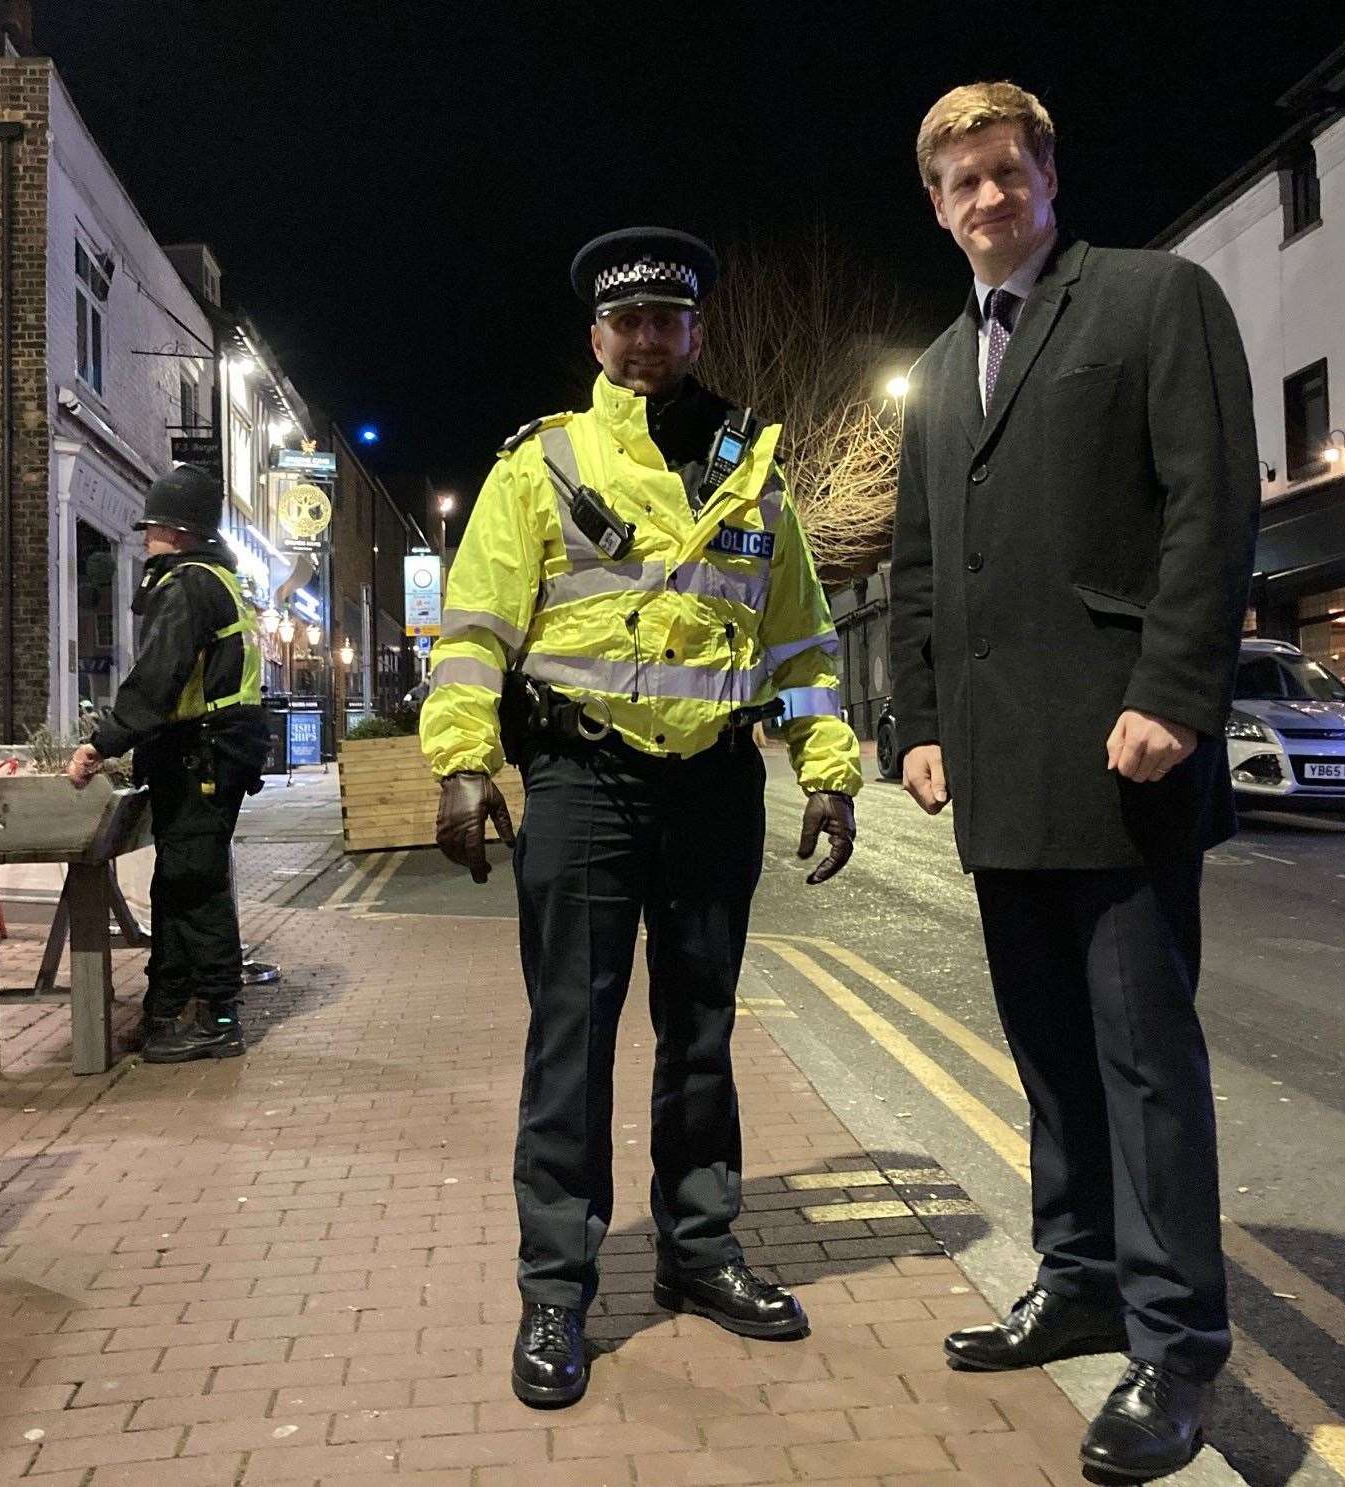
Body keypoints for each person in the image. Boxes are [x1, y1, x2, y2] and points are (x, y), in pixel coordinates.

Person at [421, 227, 861, 1408]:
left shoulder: (751, 469)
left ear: (696, 331)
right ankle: (556, 1285)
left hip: (716, 782)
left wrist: (827, 763)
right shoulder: (543, 465)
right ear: (597, 339)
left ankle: (699, 1248)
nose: (649, 339)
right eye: (628, 323)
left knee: (702, 1031)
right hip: (583, 783)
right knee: (572, 1035)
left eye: (670, 319)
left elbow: (804, 639)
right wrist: (464, 764)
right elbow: (473, 627)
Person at [888, 84, 1259, 1481]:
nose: (989, 199)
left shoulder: (1156, 301)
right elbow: (923, 568)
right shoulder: (937, 368)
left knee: (1146, 1067)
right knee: (1048, 1057)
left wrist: (1173, 690)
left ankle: (1175, 1350)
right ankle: (1080, 1274)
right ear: (935, 208)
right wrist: (918, 721)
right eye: (961, 184)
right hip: (997, 773)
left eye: (1006, 171)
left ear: (1047, 171)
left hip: (1123, 757)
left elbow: (1210, 502)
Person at [67, 466, 269, 1064]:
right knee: (179, 882)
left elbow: (157, 678)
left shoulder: (186, 586)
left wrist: (103, 743)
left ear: (176, 531)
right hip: (211, 752)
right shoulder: (217, 580)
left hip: (200, 753)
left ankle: (216, 1017)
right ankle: (167, 1010)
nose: (146, 537)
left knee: (194, 884)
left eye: (152, 527)